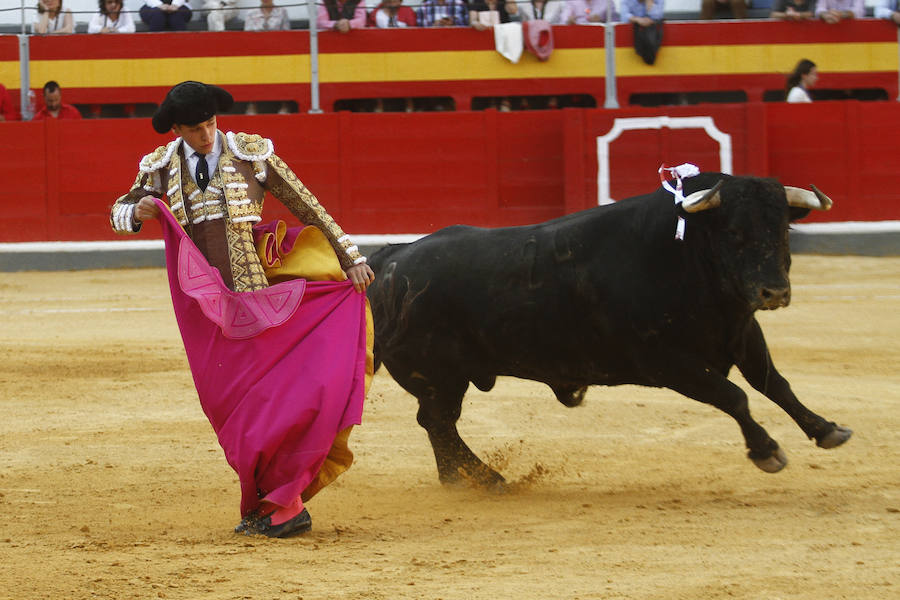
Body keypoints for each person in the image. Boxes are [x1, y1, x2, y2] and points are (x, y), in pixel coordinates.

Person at [108, 81, 375, 538]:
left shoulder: (251, 153)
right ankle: (271, 500)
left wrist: (350, 256)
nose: (207, 135)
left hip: (257, 299)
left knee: (270, 404)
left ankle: (285, 504)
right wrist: (140, 212)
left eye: (211, 124)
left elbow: (307, 204)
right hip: (204, 309)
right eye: (196, 129)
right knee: (227, 406)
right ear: (177, 130)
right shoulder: (159, 166)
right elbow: (118, 211)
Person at [622, 0, 664, 65]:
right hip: (630, 41)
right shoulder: (626, 1)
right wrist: (637, 19)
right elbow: (624, 17)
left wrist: (649, 2)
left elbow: (657, 16)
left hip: (654, 38)